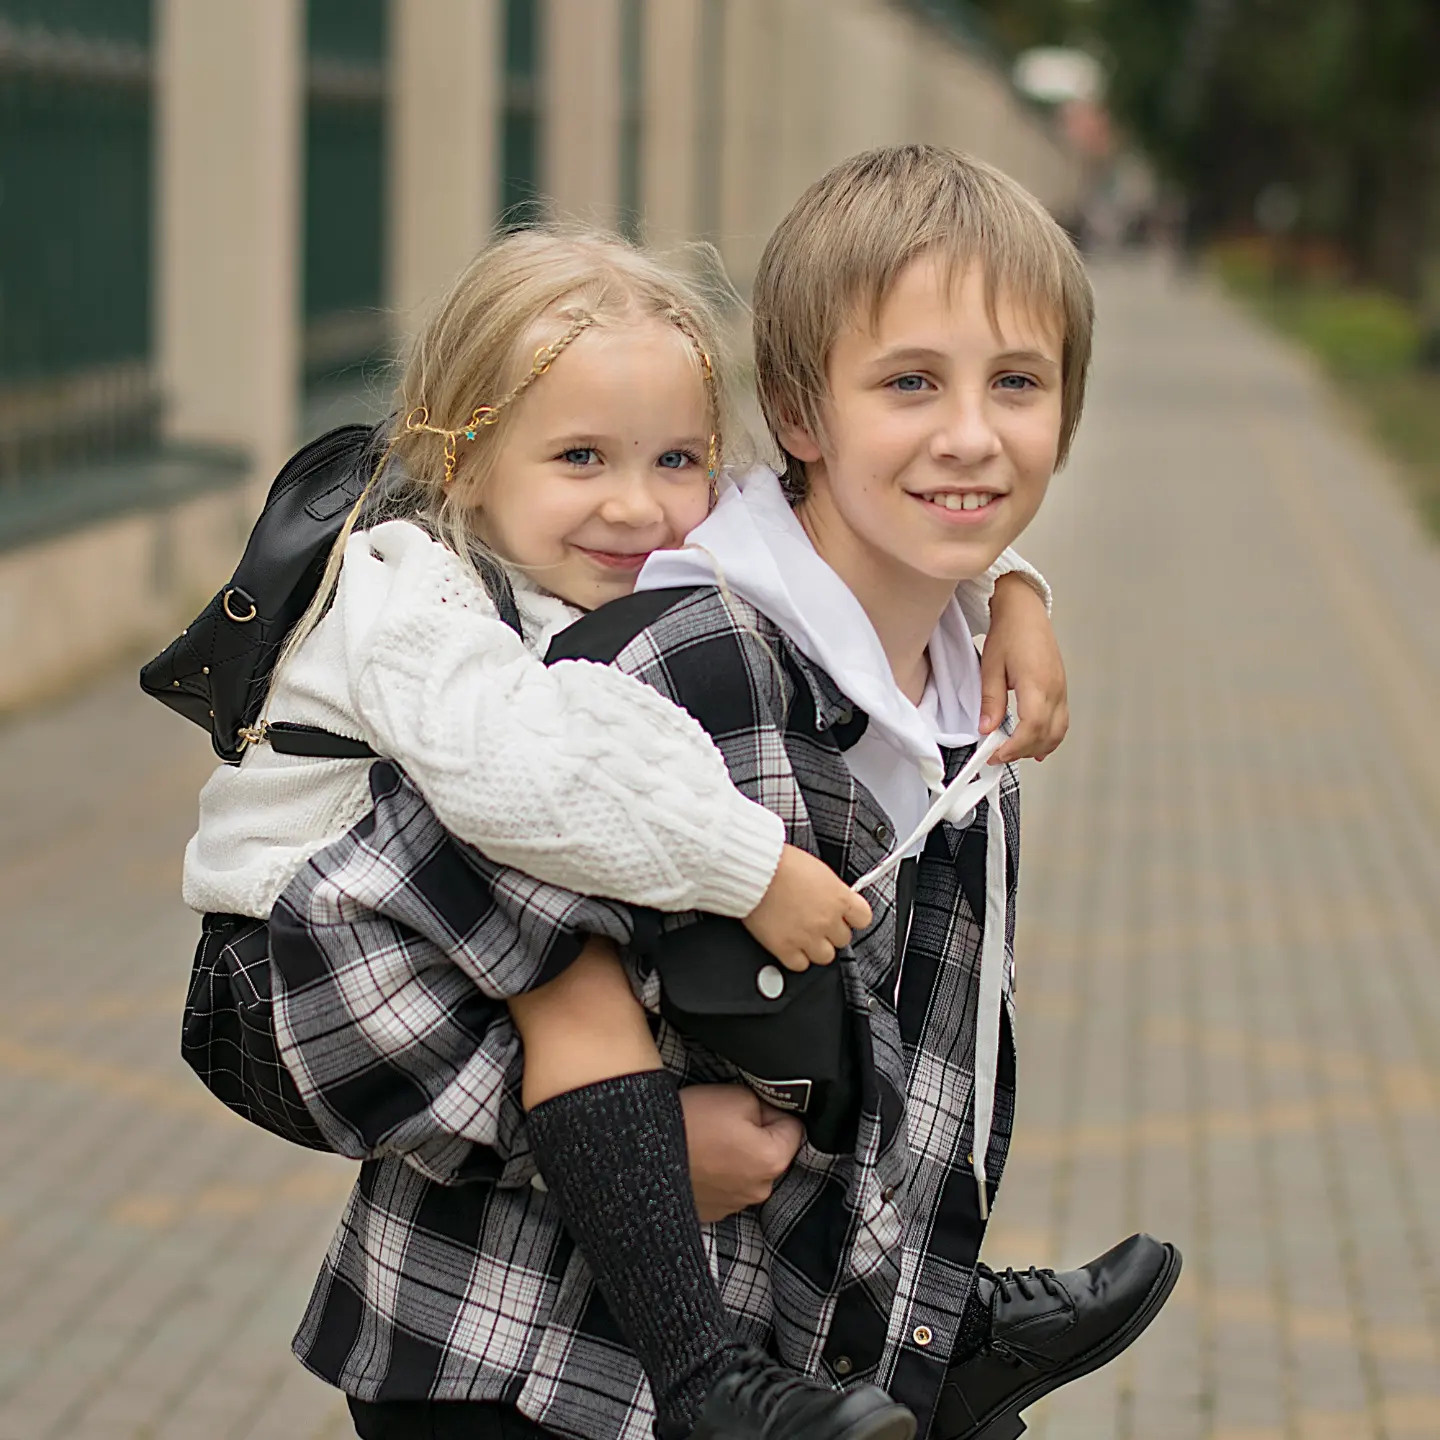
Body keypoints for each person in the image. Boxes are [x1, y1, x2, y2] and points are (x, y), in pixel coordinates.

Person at [258, 148, 1180, 1440]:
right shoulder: (672, 667)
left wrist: (913, 1337)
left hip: (774, 1368)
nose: (971, 432)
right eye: (912, 380)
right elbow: (325, 963)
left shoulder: (970, 695)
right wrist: (612, 1155)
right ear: (800, 413)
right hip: (529, 1372)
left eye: (1017, 383)